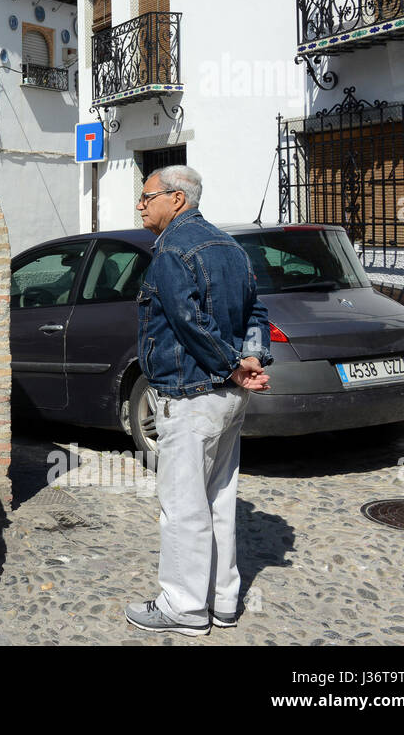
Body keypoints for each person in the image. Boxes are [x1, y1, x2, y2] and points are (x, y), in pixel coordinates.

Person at [125, 165, 271, 636]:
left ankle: (184, 608)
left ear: (177, 199)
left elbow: (188, 322)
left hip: (191, 396)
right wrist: (250, 355)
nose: (140, 204)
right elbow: (257, 310)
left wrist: (232, 363)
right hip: (226, 400)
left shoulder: (172, 248)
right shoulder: (231, 245)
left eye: (147, 196)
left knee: (184, 505)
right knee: (220, 500)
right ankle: (223, 601)